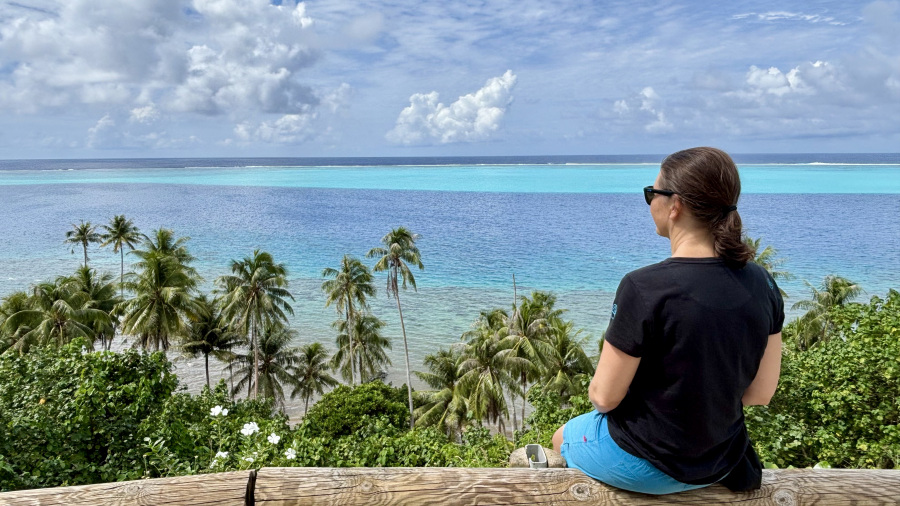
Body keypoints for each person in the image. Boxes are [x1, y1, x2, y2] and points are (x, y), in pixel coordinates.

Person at [552, 147, 784, 494]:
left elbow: (604, 397)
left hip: (648, 465)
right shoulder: (762, 282)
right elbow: (760, 394)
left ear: (675, 205)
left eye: (651, 193)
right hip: (720, 461)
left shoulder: (644, 287)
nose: (649, 202)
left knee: (563, 437)